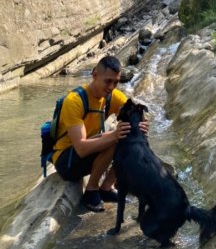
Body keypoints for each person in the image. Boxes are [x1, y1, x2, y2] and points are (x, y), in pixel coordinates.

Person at [52, 55, 147, 211]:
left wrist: (142, 126)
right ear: (95, 75)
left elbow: (135, 112)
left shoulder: (111, 96)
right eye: (108, 81)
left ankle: (106, 188)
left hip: (88, 151)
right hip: (66, 161)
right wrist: (113, 136)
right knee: (117, 138)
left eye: (115, 82)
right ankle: (91, 192)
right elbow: (81, 148)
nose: (111, 87)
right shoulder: (74, 101)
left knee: (128, 135)